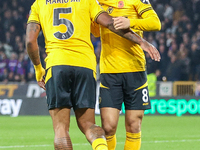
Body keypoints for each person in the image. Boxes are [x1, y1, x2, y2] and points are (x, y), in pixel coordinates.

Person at [26, 0, 160, 150]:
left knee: (61, 128)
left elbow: (30, 41)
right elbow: (109, 23)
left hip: (57, 64)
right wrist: (141, 41)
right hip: (85, 65)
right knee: (90, 125)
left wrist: (38, 69)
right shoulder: (87, 1)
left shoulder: (39, 4)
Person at [92, 0, 161, 149]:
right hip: (110, 71)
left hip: (135, 69)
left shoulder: (137, 1)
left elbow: (155, 23)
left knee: (134, 125)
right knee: (108, 127)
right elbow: (96, 31)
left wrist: (129, 22)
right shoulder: (98, 2)